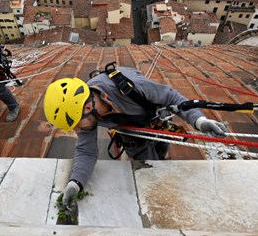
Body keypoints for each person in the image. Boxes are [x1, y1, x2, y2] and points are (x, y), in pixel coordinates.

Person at [43, 65, 228, 208]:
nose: (78, 132)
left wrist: (199, 121)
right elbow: (86, 151)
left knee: (161, 150)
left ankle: (160, 152)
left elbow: (171, 98)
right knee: (151, 168)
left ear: (88, 107)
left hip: (152, 119)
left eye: (76, 126)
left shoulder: (132, 86)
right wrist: (75, 184)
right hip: (131, 134)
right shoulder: (84, 111)